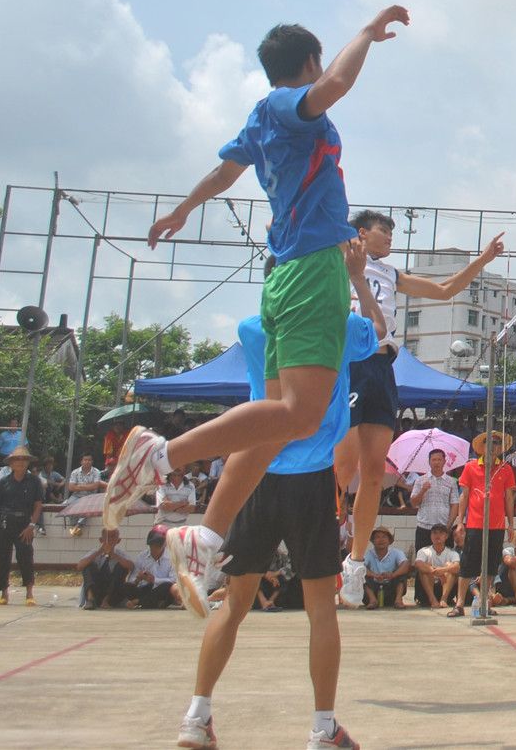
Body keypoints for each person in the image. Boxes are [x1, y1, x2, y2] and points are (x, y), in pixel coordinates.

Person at [112, 7, 411, 611]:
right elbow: (337, 84)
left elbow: (224, 172)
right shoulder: (287, 105)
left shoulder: (259, 117)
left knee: (274, 423)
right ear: (308, 63)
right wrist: (366, 34)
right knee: (300, 415)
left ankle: (205, 536)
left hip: (287, 275)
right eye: (317, 63)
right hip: (312, 270)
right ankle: (161, 454)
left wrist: (182, 210)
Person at [176, 279, 379, 750]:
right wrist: (356, 281)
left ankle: (196, 717)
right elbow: (377, 330)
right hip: (311, 478)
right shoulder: (339, 327)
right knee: (321, 609)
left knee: (235, 604)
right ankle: (323, 728)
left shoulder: (251, 329)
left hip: (257, 474)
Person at [335, 208, 504, 608]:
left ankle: (355, 564)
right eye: (384, 231)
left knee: (373, 474)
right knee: (341, 471)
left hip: (382, 366)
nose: (390, 238)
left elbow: (445, 290)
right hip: (348, 361)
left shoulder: (390, 273)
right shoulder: (338, 254)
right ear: (362, 233)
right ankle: (326, 550)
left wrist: (482, 259)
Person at [450, 431, 516, 618]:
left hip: (497, 525)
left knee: (491, 565)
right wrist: (460, 521)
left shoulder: (505, 469)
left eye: (497, 443)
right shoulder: (471, 467)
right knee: (467, 563)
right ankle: (459, 603)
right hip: (475, 523)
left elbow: (508, 498)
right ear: (483, 446)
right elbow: (464, 495)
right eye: (490, 442)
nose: (494, 446)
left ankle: (484, 602)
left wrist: (511, 523)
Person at [0, 445, 43, 606]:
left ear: (28, 463)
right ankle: (4, 593)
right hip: (5, 521)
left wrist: (31, 525)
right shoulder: (4, 482)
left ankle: (29, 593)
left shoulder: (34, 481)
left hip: (24, 522)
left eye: (24, 460)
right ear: (11, 464)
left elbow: (38, 505)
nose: (20, 462)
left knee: (26, 557)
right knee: (2, 557)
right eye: (17, 460)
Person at [407, 449, 461, 566]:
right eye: (434, 460)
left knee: (447, 564)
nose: (436, 462)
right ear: (429, 462)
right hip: (424, 527)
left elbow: (455, 505)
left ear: (444, 461)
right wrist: (423, 490)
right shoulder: (420, 480)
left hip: (444, 527)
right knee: (422, 563)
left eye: (439, 460)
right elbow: (413, 503)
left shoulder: (451, 482)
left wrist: (448, 526)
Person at [78, 530, 133, 608]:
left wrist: (114, 555)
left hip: (112, 590)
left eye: (113, 537)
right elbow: (80, 566)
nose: (109, 540)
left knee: (121, 567)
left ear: (118, 540)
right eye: (107, 537)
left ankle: (106, 600)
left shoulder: (120, 554)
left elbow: (131, 566)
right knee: (89, 565)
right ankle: (90, 599)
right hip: (96, 587)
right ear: (101, 540)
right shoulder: (95, 552)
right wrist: (99, 552)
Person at [128, 530, 181, 609]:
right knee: (127, 587)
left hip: (161, 591)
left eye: (158, 546)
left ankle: (139, 602)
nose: (155, 549)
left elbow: (173, 580)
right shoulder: (142, 556)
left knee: (167, 586)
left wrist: (154, 579)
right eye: (153, 545)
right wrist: (137, 579)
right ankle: (150, 602)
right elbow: (132, 579)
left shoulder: (172, 557)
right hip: (145, 589)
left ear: (164, 545)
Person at [412, 524, 460, 608]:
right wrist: (433, 570)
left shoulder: (452, 552)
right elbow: (418, 564)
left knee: (450, 567)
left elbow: (457, 567)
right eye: (434, 533)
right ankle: (433, 600)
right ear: (431, 536)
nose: (437, 535)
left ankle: (444, 599)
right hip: (426, 592)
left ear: (446, 536)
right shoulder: (424, 551)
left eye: (441, 533)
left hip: (445, 588)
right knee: (425, 569)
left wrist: (443, 570)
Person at [362, 527, 410, 608]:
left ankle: (398, 600)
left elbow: (406, 565)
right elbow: (361, 567)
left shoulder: (396, 552)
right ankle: (373, 600)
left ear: (389, 540)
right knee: (361, 574)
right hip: (374, 589)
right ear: (373, 541)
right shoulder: (369, 554)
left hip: (391, 589)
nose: (381, 540)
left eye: (384, 537)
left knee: (402, 575)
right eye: (377, 537)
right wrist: (374, 575)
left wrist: (393, 575)